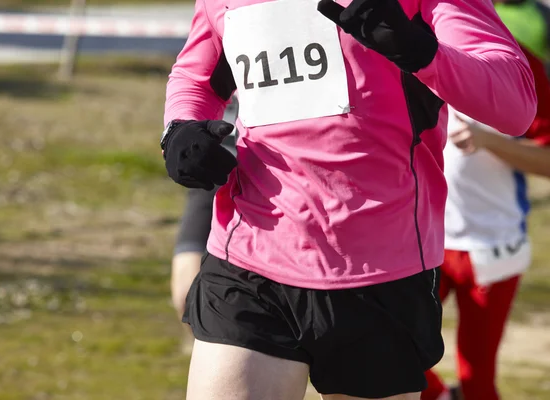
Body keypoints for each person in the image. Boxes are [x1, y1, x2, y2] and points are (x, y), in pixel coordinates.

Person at [160, 0, 537, 398]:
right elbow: (196, 77)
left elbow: (516, 105)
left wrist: (420, 52)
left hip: (380, 271)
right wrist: (181, 129)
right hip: (251, 257)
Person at [421, 4, 550, 400]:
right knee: (396, 357)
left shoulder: (517, 61)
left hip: (492, 244)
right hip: (422, 242)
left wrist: (491, 142)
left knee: (477, 379)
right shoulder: (400, 47)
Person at [170, 96, 239, 354]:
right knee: (185, 293)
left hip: (271, 183)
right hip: (212, 185)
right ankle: (207, 352)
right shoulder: (214, 59)